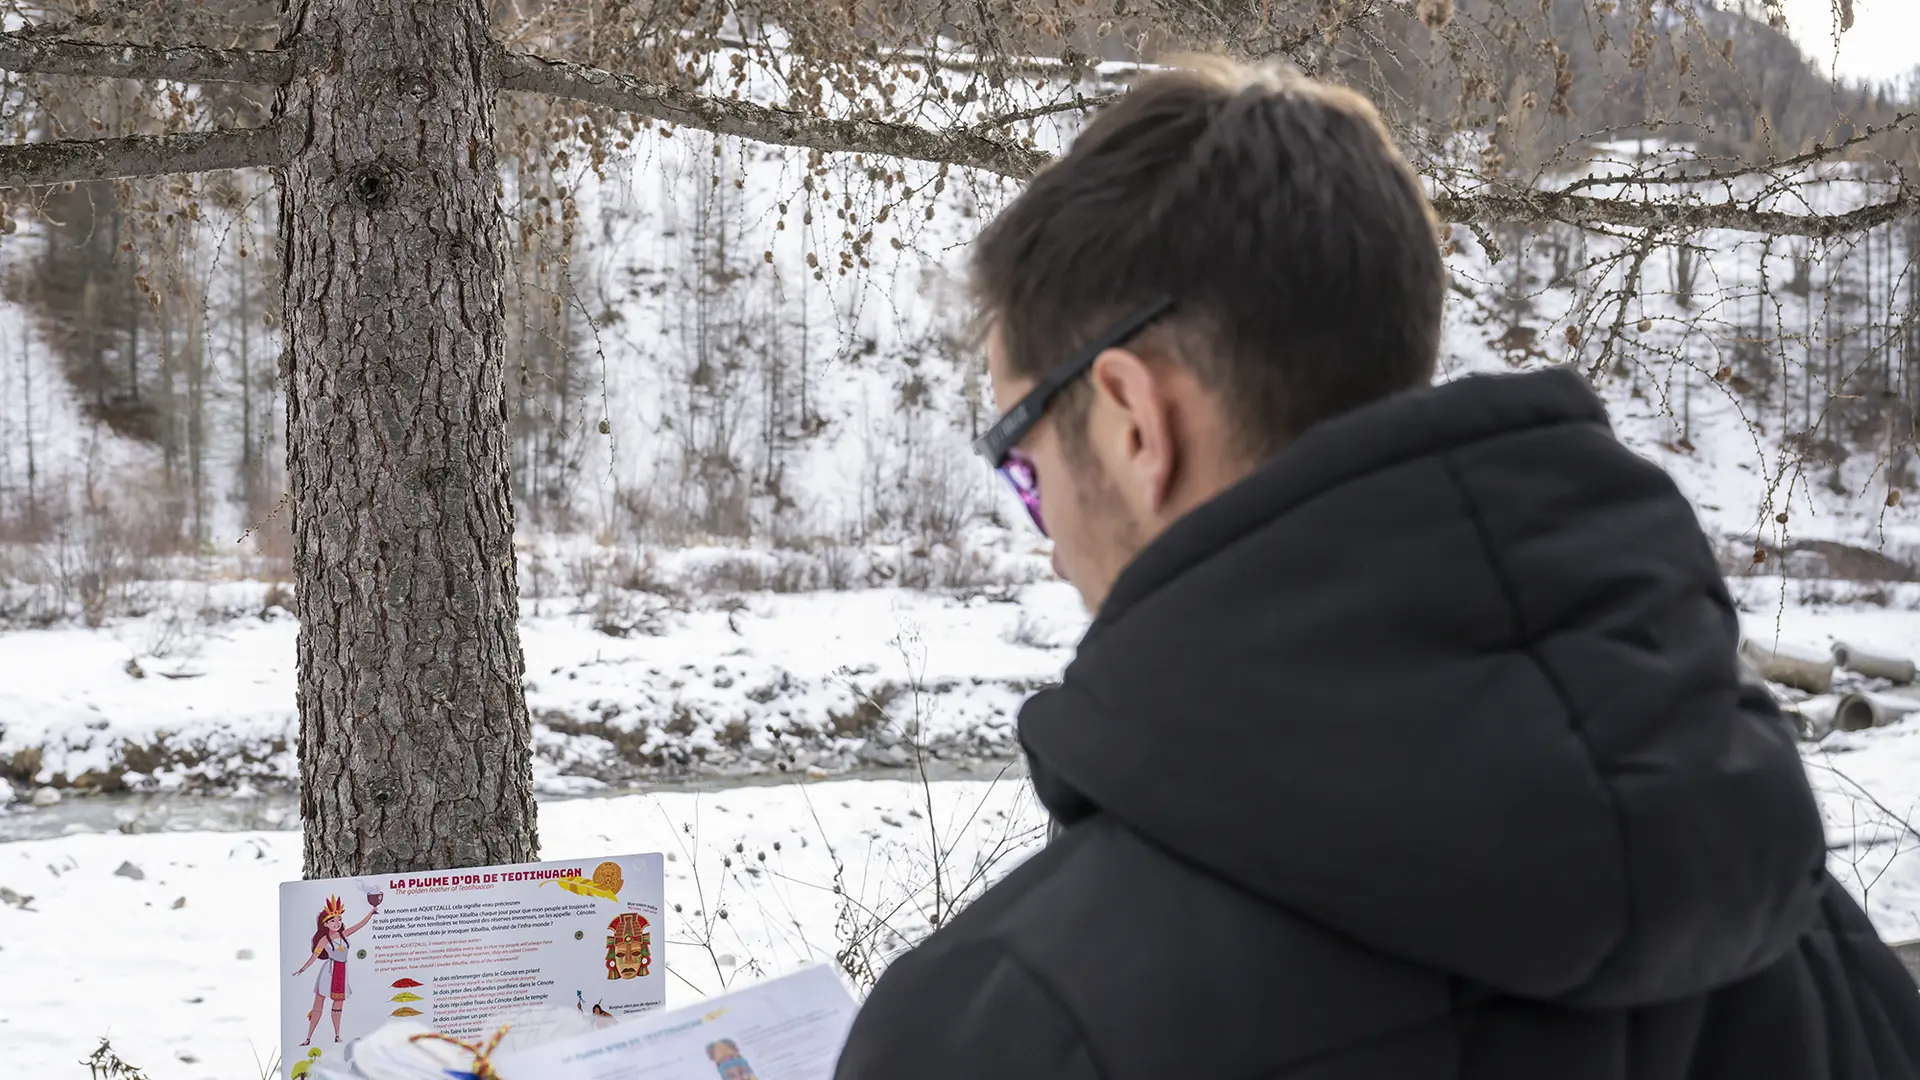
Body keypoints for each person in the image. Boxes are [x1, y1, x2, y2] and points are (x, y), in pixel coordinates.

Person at [832, 57, 1920, 1080]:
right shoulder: (1793, 916)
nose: (1041, 530)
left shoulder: (1005, 1026)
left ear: (1129, 420)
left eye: (1021, 462)